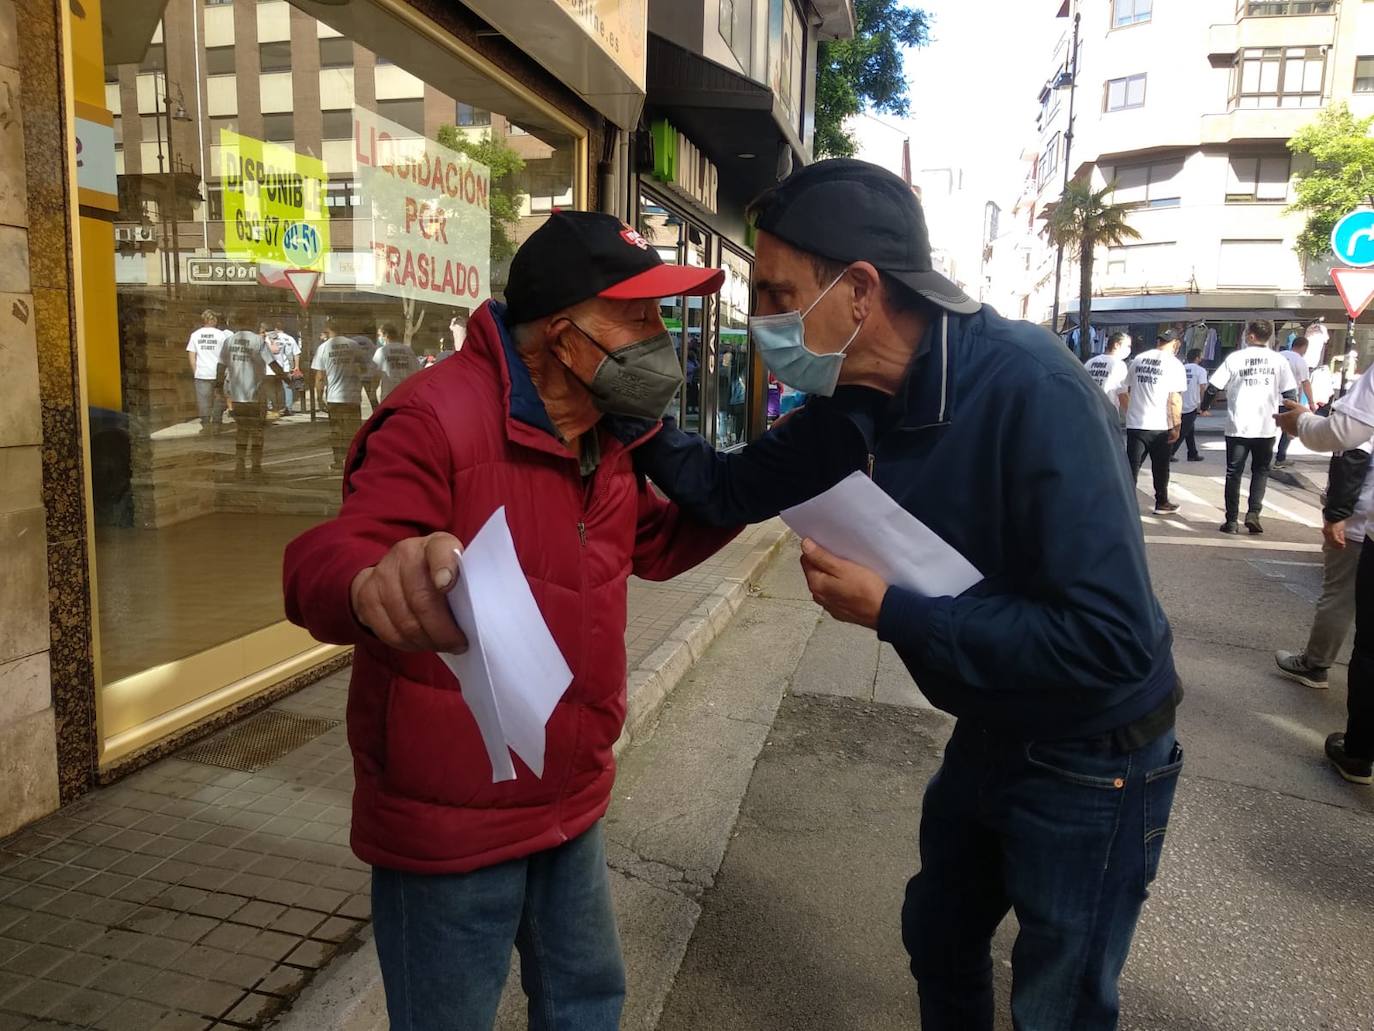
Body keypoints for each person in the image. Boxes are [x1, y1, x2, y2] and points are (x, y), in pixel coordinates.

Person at [630, 159, 1184, 1031]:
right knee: (937, 932)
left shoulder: (1031, 391)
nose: (760, 320)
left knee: (1060, 1000)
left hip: (1095, 753)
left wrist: (891, 608)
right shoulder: (858, 402)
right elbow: (728, 490)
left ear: (858, 289)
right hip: (994, 727)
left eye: (776, 294)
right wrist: (635, 413)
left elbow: (1108, 637)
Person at [282, 211, 737, 1028]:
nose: (657, 336)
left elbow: (653, 545)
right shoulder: (436, 416)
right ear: (562, 337)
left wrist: (751, 495)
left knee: (589, 1001)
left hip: (571, 795)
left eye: (660, 316)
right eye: (636, 315)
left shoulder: (610, 434)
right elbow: (339, 549)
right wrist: (370, 582)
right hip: (453, 819)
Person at [1276, 372, 1374, 785]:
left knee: (1368, 643)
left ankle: (1359, 751)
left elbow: (1348, 440)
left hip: (1363, 519)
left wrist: (1300, 422)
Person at [1275, 440, 1373, 689]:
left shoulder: (1364, 407)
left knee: (1339, 596)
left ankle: (1316, 664)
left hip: (1359, 524)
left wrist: (1336, 515)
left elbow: (1352, 459)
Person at [1199, 319, 1297, 535]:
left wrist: (1204, 407)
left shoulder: (1236, 358)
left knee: (1233, 473)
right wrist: (1291, 421)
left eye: (1246, 332)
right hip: (1266, 427)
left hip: (1238, 426)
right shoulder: (1278, 360)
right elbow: (1290, 395)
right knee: (1260, 471)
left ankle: (1231, 521)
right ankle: (1253, 514)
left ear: (1251, 336)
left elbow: (1213, 387)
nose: (1244, 335)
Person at [1123, 329, 1185, 515]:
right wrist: (1176, 426)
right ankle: (1161, 502)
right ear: (1175, 344)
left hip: (1136, 422)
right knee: (1160, 467)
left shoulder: (1139, 359)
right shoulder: (1174, 364)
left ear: (1158, 341)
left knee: (1131, 467)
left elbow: (1129, 387)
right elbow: (1174, 398)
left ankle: (1125, 504)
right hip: (1159, 424)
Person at [220, 318, 286, 479]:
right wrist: (286, 378)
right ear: (253, 323)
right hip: (255, 395)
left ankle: (239, 466)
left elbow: (221, 365)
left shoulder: (229, 341)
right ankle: (256, 467)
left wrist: (218, 387)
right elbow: (272, 363)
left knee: (241, 432)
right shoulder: (258, 340)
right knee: (257, 433)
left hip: (237, 396)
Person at [312, 317, 366, 471]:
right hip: (352, 396)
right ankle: (354, 461)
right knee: (353, 431)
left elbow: (320, 377)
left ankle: (338, 460)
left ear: (327, 331)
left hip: (334, 397)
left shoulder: (323, 348)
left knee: (337, 431)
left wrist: (319, 398)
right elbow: (363, 368)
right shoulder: (353, 345)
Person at [1275, 336, 1315, 467]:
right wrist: (1311, 402)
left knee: (1268, 428)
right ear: (1304, 347)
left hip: (1272, 398)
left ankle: (1263, 457)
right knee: (1288, 429)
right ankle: (1280, 458)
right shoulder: (1300, 361)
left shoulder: (1278, 355)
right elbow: (1305, 383)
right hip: (1288, 400)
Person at [186, 309, 228, 434]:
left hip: (202, 372)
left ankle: (205, 425)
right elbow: (225, 355)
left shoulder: (195, 335)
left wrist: (195, 371)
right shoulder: (221, 335)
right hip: (218, 372)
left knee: (203, 400)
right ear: (214, 320)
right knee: (219, 398)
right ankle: (216, 424)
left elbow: (192, 356)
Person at [1172, 348, 1208, 463]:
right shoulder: (1200, 370)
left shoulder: (1181, 368)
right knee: (1183, 431)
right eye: (1201, 356)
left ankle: (1192, 453)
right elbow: (1202, 387)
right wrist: (1202, 404)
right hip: (1192, 404)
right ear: (1197, 358)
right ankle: (1169, 453)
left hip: (1180, 402)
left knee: (1189, 430)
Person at [372, 322, 420, 402]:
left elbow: (375, 376)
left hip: (389, 396)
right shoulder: (408, 351)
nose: (379, 338)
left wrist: (373, 393)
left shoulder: (382, 351)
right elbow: (417, 373)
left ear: (385, 335)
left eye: (379, 335)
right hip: (406, 396)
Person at [1083, 331, 1130, 411]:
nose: (1129, 349)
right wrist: (1130, 414)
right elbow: (1123, 395)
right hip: (1107, 413)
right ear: (1116, 345)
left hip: (1088, 411)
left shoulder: (1090, 362)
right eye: (1127, 346)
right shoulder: (1119, 364)